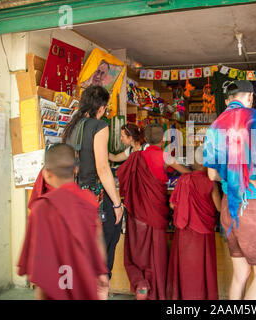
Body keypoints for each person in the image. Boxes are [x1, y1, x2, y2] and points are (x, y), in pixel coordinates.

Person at [203, 80, 256, 300]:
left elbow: (212, 175)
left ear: (227, 100)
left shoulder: (214, 126)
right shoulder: (253, 116)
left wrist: (233, 176)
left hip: (229, 206)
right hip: (251, 204)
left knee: (240, 274)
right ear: (250, 98)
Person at [17, 144, 109, 300]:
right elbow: (98, 238)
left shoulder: (40, 208)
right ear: (76, 170)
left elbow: (40, 263)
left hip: (54, 285)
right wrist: (101, 272)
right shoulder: (88, 200)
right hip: (83, 278)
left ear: (46, 174)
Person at [117, 123, 191, 300]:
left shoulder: (136, 156)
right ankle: (156, 288)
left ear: (146, 139)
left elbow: (121, 176)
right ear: (164, 139)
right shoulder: (165, 156)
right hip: (155, 209)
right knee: (155, 250)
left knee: (137, 248)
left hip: (137, 210)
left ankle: (141, 284)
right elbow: (186, 173)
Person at [63, 85, 124, 292]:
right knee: (101, 264)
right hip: (96, 201)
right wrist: (117, 203)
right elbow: (102, 167)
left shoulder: (71, 127)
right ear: (101, 107)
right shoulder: (99, 126)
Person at [166, 148, 222, 300]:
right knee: (202, 266)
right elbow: (219, 207)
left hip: (185, 230)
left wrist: (185, 206)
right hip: (203, 231)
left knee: (185, 266)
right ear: (207, 164)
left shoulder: (184, 179)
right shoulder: (210, 182)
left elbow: (172, 205)